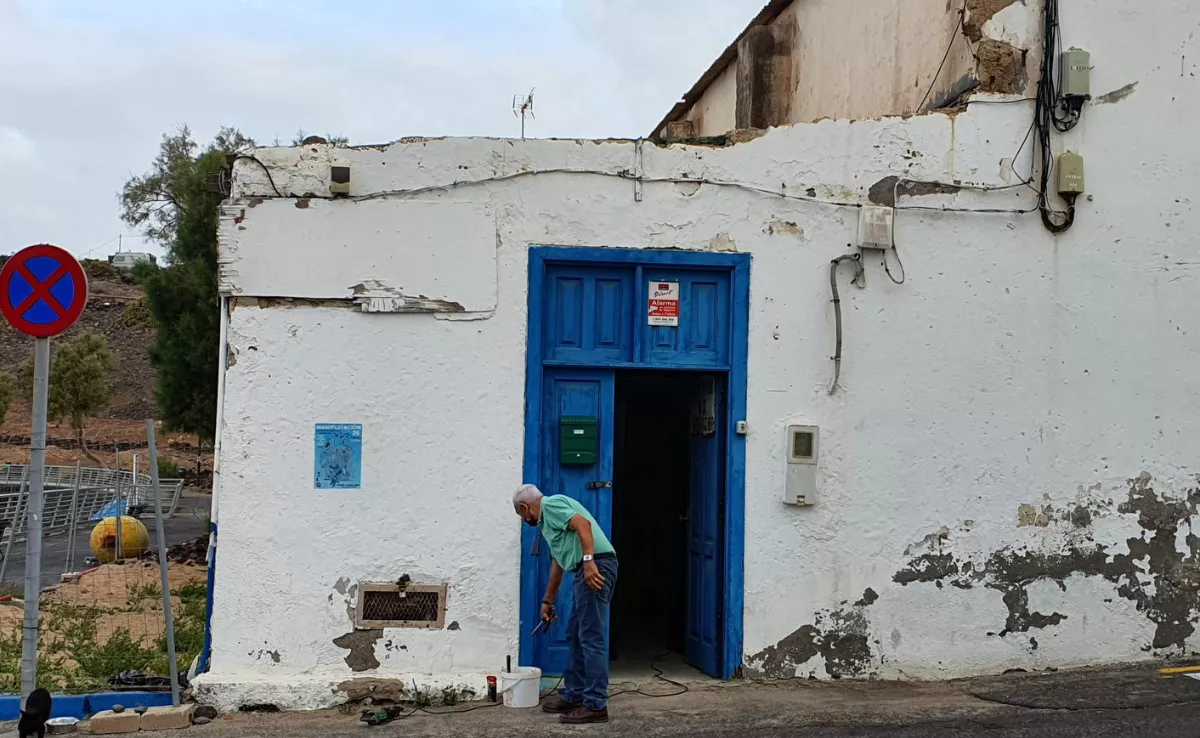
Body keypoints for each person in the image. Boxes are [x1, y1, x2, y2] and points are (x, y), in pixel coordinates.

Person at [513, 483, 618, 724]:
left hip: (596, 565)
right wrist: (547, 601)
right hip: (587, 566)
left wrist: (589, 562)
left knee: (591, 636)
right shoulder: (547, 523)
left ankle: (595, 705)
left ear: (524, 507)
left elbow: (583, 524)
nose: (523, 519)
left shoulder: (552, 505)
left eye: (521, 515)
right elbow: (558, 564)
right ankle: (575, 695)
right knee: (575, 633)